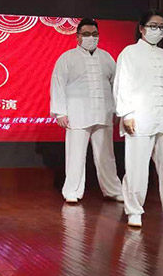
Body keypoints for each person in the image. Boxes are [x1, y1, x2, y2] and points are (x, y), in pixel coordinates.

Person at [113, 9, 163, 228]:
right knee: (136, 167)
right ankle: (134, 210)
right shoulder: (129, 53)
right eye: (153, 26)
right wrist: (127, 114)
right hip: (139, 117)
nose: (158, 30)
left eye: (161, 27)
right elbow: (122, 84)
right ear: (142, 29)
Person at [50, 18, 124, 204]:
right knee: (75, 155)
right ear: (78, 37)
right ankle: (72, 191)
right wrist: (60, 112)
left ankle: (113, 190)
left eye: (94, 34)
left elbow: (116, 85)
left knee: (106, 155)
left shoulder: (106, 57)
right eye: (87, 34)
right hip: (77, 114)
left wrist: (117, 110)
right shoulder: (67, 58)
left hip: (104, 112)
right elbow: (57, 85)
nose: (91, 38)